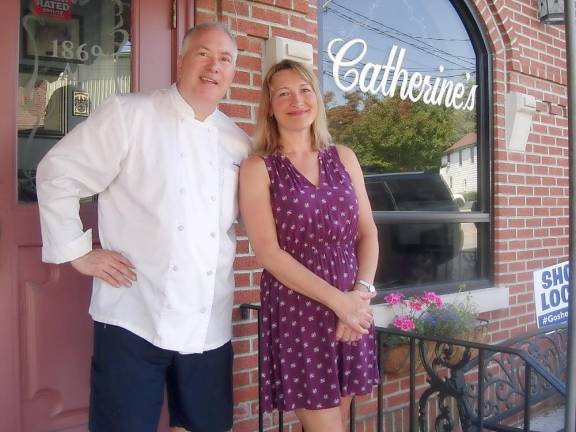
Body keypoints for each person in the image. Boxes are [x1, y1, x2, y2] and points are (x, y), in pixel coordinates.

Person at [36, 22, 251, 432]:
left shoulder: (237, 142)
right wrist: (78, 252)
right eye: (203, 53)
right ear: (182, 59)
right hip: (133, 314)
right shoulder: (130, 114)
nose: (214, 66)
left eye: (225, 59)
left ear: (233, 73)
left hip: (208, 320)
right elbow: (58, 174)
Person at [239, 59, 380, 432]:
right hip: (298, 309)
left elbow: (367, 232)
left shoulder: (344, 157)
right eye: (283, 93)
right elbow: (267, 252)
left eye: (304, 90)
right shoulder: (259, 167)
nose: (296, 100)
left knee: (337, 422)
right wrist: (340, 303)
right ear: (269, 106)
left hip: (351, 305)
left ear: (316, 98)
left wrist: (359, 295)